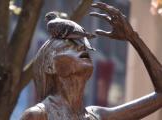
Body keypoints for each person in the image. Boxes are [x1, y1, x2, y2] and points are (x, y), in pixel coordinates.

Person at [20, 2, 162, 120]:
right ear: (50, 66)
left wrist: (133, 38)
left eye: (81, 45)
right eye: (69, 46)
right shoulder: (38, 116)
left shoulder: (97, 116)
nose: (82, 47)